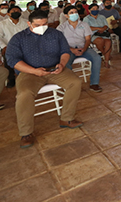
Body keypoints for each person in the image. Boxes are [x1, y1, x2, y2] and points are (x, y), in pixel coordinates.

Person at [5, 10, 83, 148]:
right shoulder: (18, 38)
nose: (42, 26)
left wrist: (62, 64)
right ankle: (26, 133)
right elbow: (12, 60)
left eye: (45, 23)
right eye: (38, 24)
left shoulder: (56, 34)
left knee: (75, 83)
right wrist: (33, 71)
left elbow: (65, 52)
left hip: (55, 69)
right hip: (30, 72)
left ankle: (67, 118)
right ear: (29, 23)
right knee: (24, 94)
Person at [57, 6, 103, 92]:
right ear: (66, 15)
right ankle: (71, 85)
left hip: (83, 48)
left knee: (97, 58)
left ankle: (94, 83)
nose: (74, 14)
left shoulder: (84, 25)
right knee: (65, 62)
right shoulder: (61, 27)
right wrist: (71, 49)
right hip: (68, 50)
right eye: (71, 13)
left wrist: (84, 49)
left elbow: (88, 39)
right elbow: (60, 43)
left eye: (75, 12)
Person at [0, 5, 28, 87]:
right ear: (8, 14)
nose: (16, 13)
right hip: (8, 47)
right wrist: (4, 46)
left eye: (18, 11)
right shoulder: (2, 24)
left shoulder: (26, 22)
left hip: (24, 47)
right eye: (13, 11)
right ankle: (11, 78)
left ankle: (27, 76)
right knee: (7, 57)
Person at [84, 4, 112, 68]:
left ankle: (106, 61)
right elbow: (88, 27)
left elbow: (106, 25)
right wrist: (98, 28)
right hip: (93, 34)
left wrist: (103, 29)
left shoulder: (102, 17)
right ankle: (104, 54)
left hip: (103, 33)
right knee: (100, 40)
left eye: (96, 9)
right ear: (89, 10)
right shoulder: (87, 18)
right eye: (93, 9)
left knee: (108, 41)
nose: (95, 10)